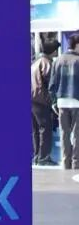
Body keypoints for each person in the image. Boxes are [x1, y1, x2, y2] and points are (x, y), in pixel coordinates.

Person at [49, 34, 79, 169]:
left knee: (64, 133)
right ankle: (76, 162)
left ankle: (66, 162)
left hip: (61, 102)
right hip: (77, 101)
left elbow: (52, 84)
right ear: (77, 45)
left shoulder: (58, 60)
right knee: (77, 134)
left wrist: (54, 102)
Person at [33, 41, 59, 164]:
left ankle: (36, 156)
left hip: (32, 100)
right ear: (53, 51)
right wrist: (53, 101)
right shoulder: (46, 63)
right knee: (45, 129)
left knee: (36, 130)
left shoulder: (35, 62)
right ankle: (44, 158)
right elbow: (51, 83)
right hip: (41, 101)